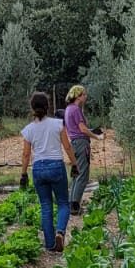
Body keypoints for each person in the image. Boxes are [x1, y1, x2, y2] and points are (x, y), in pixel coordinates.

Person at [20, 92, 78, 252]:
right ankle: (60, 231)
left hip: (38, 168)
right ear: (48, 107)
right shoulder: (58, 124)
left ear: (32, 108)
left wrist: (23, 174)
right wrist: (74, 164)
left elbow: (26, 154)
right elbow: (67, 146)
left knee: (45, 205)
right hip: (56, 167)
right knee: (63, 203)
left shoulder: (28, 130)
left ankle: (50, 244)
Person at [64, 84, 102, 217]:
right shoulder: (76, 110)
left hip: (74, 143)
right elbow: (82, 129)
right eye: (84, 94)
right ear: (78, 96)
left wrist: (92, 131)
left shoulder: (68, 109)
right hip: (81, 143)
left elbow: (76, 129)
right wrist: (97, 136)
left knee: (76, 174)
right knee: (83, 175)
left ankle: (71, 203)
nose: (86, 96)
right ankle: (75, 206)